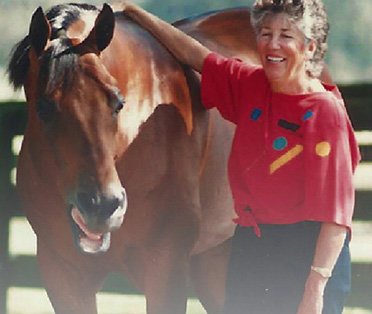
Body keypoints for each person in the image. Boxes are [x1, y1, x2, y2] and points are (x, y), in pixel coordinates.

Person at [119, 0, 361, 313]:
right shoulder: (251, 86)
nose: (272, 44)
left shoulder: (323, 113)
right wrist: (135, 13)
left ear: (309, 47)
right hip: (252, 245)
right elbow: (197, 56)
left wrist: (315, 288)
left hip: (309, 256)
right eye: (265, 33)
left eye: (286, 35)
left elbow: (335, 217)